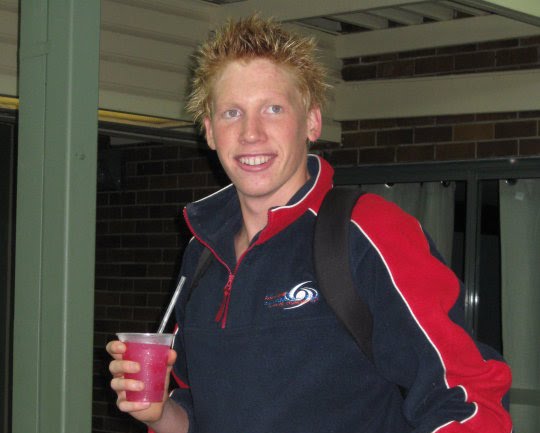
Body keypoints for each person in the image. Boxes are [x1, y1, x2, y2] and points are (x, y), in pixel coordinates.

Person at [107, 15, 512, 433]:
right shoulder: (202, 254)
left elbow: (468, 401)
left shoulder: (365, 230)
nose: (250, 133)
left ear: (312, 123)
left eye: (273, 109)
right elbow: (200, 414)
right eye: (231, 113)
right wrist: (160, 413)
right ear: (209, 132)